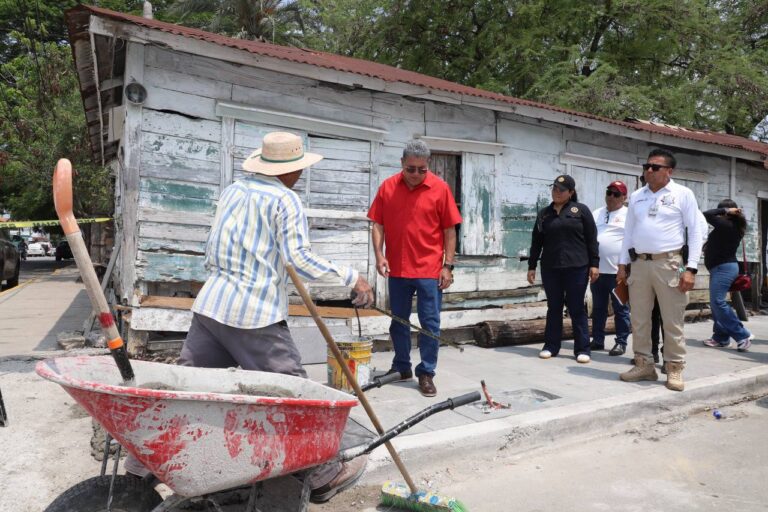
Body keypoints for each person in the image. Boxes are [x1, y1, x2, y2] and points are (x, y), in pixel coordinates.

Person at [125, 131, 375, 504]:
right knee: (295, 395)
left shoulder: (234, 191)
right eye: (299, 170)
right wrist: (352, 276)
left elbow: (213, 249)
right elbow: (300, 260)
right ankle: (323, 474)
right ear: (289, 171)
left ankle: (139, 468)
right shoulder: (285, 200)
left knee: (186, 392)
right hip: (254, 314)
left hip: (211, 306)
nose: (300, 176)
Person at [367, 140, 462, 397]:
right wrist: (379, 255)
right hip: (397, 268)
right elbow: (377, 224)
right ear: (402, 164)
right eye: (411, 169)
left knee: (429, 323)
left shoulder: (440, 189)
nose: (417, 174)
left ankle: (426, 372)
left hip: (430, 270)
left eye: (422, 169)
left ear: (428, 166)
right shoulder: (388, 187)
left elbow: (449, 231)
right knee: (398, 322)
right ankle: (401, 366)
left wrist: (448, 266)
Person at [618, 149, 704, 392]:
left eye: (655, 167)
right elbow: (628, 233)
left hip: (670, 264)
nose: (649, 171)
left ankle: (674, 368)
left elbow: (695, 232)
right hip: (639, 265)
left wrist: (692, 268)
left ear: (669, 171)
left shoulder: (682, 194)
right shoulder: (636, 196)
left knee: (672, 319)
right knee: (640, 318)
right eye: (647, 166)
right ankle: (644, 364)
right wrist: (623, 265)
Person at [527, 175, 599, 363]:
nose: (556, 192)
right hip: (551, 268)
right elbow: (537, 241)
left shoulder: (580, 211)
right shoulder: (544, 213)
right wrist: (531, 265)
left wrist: (594, 264)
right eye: (554, 188)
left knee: (576, 308)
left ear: (571, 192)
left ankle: (582, 349)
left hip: (577, 267)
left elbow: (592, 239)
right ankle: (551, 346)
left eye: (561, 189)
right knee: (554, 308)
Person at [702, 200, 753, 351]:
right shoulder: (731, 227)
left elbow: (707, 214)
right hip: (721, 268)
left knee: (718, 302)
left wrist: (725, 210)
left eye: (722, 212)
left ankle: (742, 335)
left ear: (727, 213)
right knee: (718, 303)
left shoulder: (727, 225)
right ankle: (721, 338)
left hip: (723, 269)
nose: (719, 215)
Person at [590, 180, 632, 356]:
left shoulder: (629, 215)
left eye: (616, 194)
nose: (611, 197)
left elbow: (632, 242)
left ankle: (621, 342)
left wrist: (626, 267)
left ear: (624, 197)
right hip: (598, 271)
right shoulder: (596, 213)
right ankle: (598, 340)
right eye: (609, 193)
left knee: (621, 309)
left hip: (618, 272)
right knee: (598, 308)